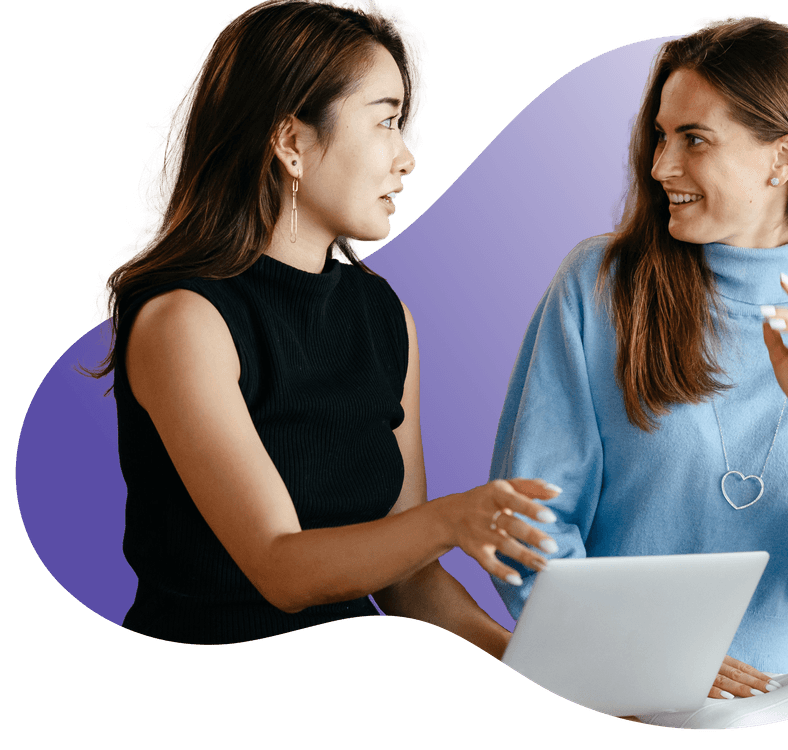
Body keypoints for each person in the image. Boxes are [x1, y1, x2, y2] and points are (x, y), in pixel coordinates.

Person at [490, 16, 788, 727]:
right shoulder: (599, 285)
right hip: (606, 706)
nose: (661, 166)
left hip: (772, 712)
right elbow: (527, 526)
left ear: (783, 158)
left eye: (693, 140)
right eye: (660, 136)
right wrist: (639, 665)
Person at [91, 0, 559, 654]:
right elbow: (281, 569)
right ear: (290, 142)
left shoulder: (384, 315)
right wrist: (450, 519)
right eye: (386, 122)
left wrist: (547, 671)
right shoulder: (185, 321)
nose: (406, 159)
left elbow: (410, 583)